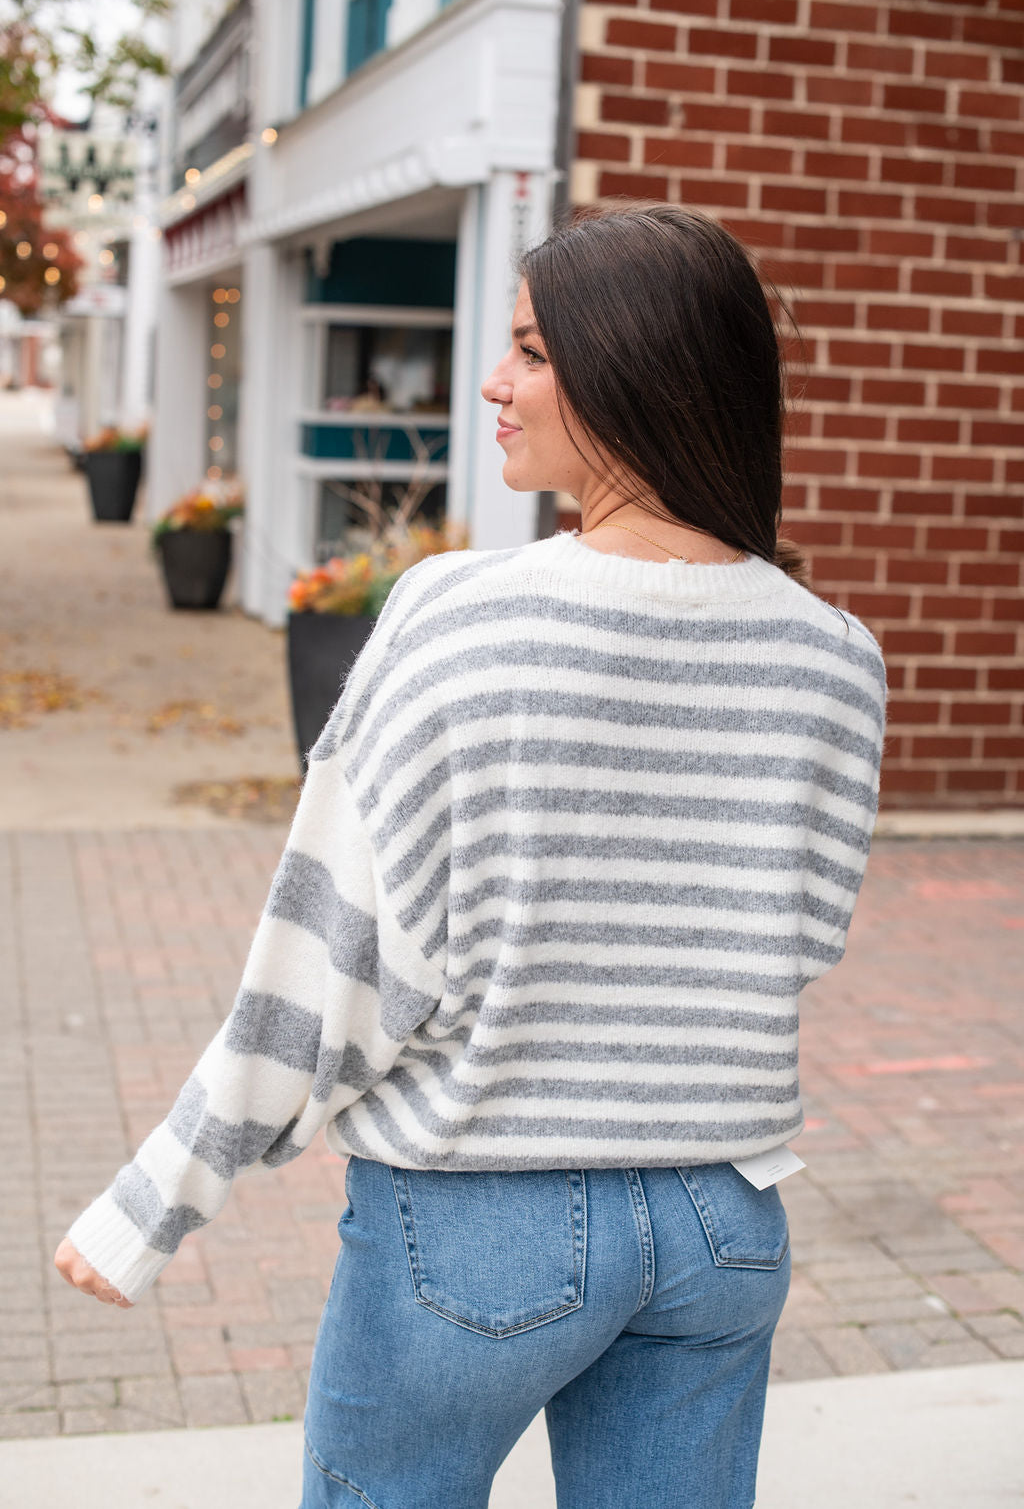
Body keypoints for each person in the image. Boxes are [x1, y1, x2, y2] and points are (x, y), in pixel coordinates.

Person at [55, 202, 887, 1509]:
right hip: (723, 1223)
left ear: (640, 373)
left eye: (533, 352)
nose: (493, 382)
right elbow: (803, 936)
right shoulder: (837, 655)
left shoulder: (456, 614)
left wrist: (157, 1198)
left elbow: (332, 959)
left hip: (476, 1225)